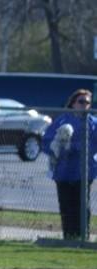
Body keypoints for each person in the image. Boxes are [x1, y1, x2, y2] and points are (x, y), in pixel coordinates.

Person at [41, 89, 96, 241]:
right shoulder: (62, 120)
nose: (84, 105)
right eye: (81, 101)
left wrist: (79, 148)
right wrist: (57, 148)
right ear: (73, 103)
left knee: (82, 206)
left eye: (87, 102)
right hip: (63, 171)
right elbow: (46, 142)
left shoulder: (93, 123)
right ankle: (69, 237)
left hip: (85, 171)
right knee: (67, 206)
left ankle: (83, 237)